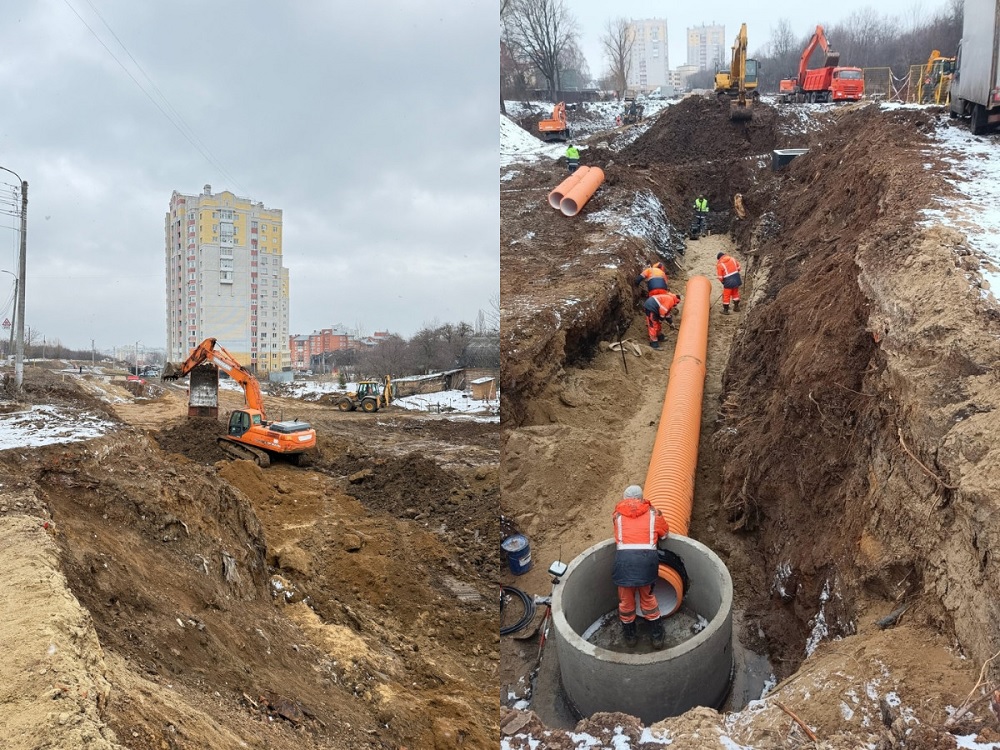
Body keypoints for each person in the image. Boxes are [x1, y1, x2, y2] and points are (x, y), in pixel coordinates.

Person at [612, 485, 669, 649]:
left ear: (625, 498)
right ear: (641, 498)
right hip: (646, 563)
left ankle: (630, 637)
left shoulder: (617, 516)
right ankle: (657, 637)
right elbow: (665, 534)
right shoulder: (653, 514)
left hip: (623, 564)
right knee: (648, 599)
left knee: (626, 602)